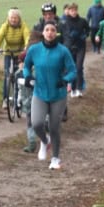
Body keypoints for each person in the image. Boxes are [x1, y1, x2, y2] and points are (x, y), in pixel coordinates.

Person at [22, 20, 76, 171]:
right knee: (37, 123)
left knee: (54, 127)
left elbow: (73, 70)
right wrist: (27, 76)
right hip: (39, 93)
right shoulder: (34, 50)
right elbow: (26, 66)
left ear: (56, 33)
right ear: (43, 32)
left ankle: (55, 159)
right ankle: (45, 141)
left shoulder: (63, 51)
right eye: (47, 30)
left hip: (58, 94)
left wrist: (65, 80)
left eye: (52, 30)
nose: (50, 33)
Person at [0, 7, 30, 109]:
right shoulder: (5, 26)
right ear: (8, 18)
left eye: (15, 18)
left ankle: (19, 99)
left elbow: (27, 37)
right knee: (7, 76)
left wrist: (27, 46)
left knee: (19, 76)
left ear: (19, 18)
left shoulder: (23, 26)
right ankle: (5, 99)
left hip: (20, 53)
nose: (13, 20)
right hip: (8, 53)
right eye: (11, 18)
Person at [61, 3, 90, 97]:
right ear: (68, 11)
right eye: (71, 10)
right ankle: (72, 88)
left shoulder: (82, 21)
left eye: (75, 10)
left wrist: (85, 35)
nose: (73, 12)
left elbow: (88, 30)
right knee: (71, 68)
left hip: (80, 46)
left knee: (79, 67)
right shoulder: (64, 22)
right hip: (69, 47)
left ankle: (79, 88)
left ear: (77, 10)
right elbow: (62, 35)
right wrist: (67, 39)